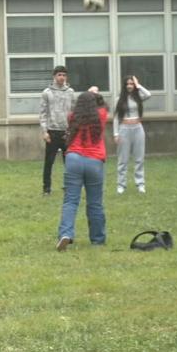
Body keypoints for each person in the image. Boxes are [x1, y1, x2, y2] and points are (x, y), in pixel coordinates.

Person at [56, 87, 107, 251]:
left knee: (70, 200)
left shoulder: (73, 117)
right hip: (94, 160)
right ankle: (98, 239)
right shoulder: (101, 115)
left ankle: (66, 234)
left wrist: (86, 94)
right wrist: (95, 94)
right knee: (95, 203)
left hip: (73, 159)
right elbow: (104, 105)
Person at [38, 66, 75, 196]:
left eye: (64, 75)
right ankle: (46, 189)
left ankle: (68, 187)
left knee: (69, 162)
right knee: (49, 162)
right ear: (54, 76)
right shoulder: (47, 92)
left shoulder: (70, 92)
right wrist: (44, 131)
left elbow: (73, 113)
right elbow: (43, 113)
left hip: (66, 132)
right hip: (52, 131)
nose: (62, 77)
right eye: (59, 75)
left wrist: (71, 130)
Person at [113, 75, 151, 194]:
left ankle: (140, 184)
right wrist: (115, 133)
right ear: (124, 86)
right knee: (123, 159)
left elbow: (148, 94)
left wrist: (138, 85)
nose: (129, 86)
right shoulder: (118, 99)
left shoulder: (139, 96)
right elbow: (115, 118)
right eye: (127, 84)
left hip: (138, 128)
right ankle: (121, 185)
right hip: (124, 129)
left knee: (139, 158)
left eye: (131, 84)